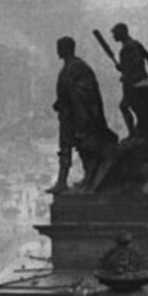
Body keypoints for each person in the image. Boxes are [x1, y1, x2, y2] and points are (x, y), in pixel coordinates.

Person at [49, 36, 117, 194]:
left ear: (67, 48)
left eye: (60, 47)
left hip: (78, 116)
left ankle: (87, 178)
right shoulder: (72, 67)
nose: (57, 50)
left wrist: (67, 102)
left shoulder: (77, 67)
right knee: (67, 147)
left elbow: (84, 92)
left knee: (82, 147)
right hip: (69, 114)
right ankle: (63, 181)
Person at [111, 23, 148, 137]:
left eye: (115, 33)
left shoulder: (127, 48)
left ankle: (133, 133)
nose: (113, 36)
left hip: (133, 83)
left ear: (122, 32)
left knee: (126, 106)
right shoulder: (135, 44)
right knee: (136, 107)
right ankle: (139, 130)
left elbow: (135, 63)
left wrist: (122, 68)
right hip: (138, 81)